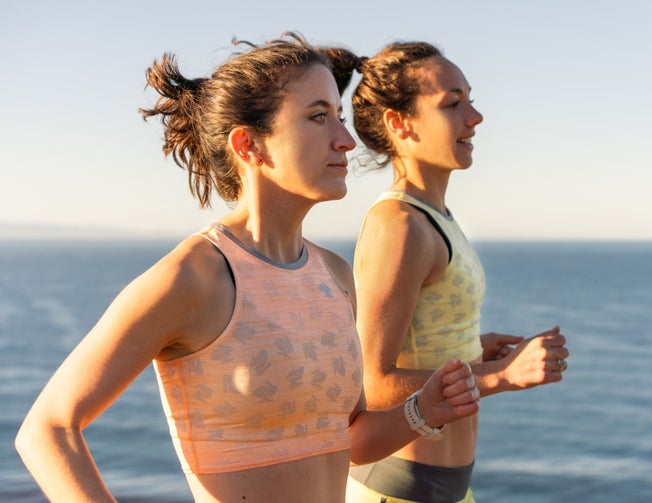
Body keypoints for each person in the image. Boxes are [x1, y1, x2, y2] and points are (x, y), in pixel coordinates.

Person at [14, 34, 481, 503]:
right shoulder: (195, 277)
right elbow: (47, 429)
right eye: (318, 117)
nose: (346, 139)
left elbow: (351, 441)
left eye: (339, 116)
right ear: (250, 145)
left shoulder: (335, 275)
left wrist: (423, 410)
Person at [338, 42, 570, 502]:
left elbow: (417, 345)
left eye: (470, 100)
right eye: (452, 103)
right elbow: (373, 382)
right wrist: (502, 373)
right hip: (397, 492)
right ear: (400, 124)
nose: (475, 117)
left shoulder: (434, 216)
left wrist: (474, 350)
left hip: (446, 489)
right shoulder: (399, 225)